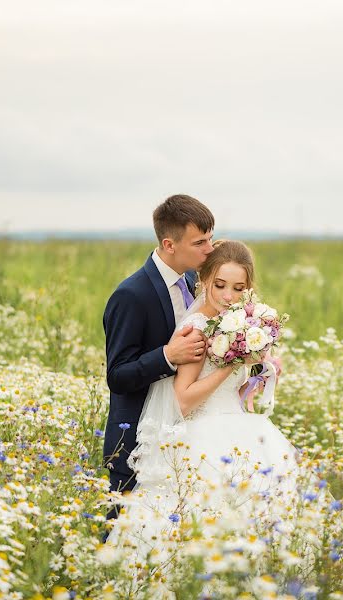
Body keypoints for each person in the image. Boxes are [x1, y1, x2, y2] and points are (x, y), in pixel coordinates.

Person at [105, 240, 300, 555]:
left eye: (238, 288)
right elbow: (182, 400)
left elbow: (232, 392)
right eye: (220, 284)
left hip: (240, 428)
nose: (228, 296)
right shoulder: (197, 328)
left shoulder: (240, 326)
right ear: (204, 280)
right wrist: (230, 365)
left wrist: (256, 374)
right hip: (200, 435)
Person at [101, 195, 215, 527]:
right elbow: (117, 376)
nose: (210, 249)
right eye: (200, 242)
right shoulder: (131, 295)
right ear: (169, 244)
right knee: (124, 533)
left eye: (210, 238)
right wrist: (168, 356)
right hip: (139, 437)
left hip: (186, 432)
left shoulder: (198, 282)